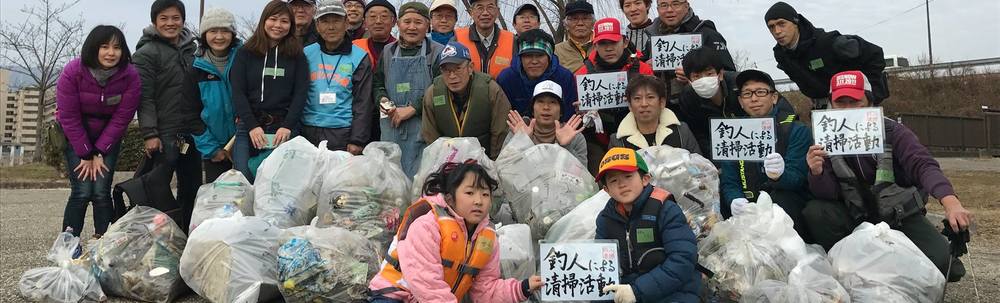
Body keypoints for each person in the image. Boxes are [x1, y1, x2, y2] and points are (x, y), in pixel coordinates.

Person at [804, 71, 970, 281]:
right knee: (816, 211)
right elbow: (828, 193)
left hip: (898, 214)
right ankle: (846, 266)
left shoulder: (894, 131)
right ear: (831, 104)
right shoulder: (824, 136)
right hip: (853, 214)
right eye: (840, 102)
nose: (847, 109)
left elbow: (923, 164)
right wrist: (816, 172)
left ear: (869, 102)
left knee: (944, 265)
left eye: (854, 102)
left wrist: (950, 202)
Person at [368, 161, 543, 302]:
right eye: (469, 192)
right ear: (450, 199)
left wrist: (522, 288)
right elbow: (427, 285)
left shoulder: (487, 238)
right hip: (392, 295)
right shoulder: (428, 225)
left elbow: (485, 291)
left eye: (485, 194)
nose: (478, 201)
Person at [56, 25, 140, 238]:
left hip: (108, 138)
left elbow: (123, 118)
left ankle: (103, 242)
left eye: (117, 47)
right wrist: (85, 153)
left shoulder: (130, 75)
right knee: (82, 192)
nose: (111, 53)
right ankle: (69, 243)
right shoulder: (73, 72)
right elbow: (68, 116)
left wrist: (100, 150)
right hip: (76, 137)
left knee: (101, 191)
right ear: (93, 48)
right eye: (105, 46)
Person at [594, 147, 701, 303]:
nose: (622, 184)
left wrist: (637, 291)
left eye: (628, 176)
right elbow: (599, 267)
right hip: (625, 294)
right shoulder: (605, 219)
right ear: (606, 190)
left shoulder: (666, 210)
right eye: (613, 180)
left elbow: (683, 259)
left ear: (645, 179)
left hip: (674, 292)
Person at [719, 69, 812, 239]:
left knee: (784, 199)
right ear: (740, 101)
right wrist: (734, 199)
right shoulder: (732, 134)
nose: (754, 99)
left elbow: (799, 178)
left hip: (787, 210)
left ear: (774, 97)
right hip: (749, 207)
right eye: (747, 94)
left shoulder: (795, 129)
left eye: (761, 92)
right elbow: (729, 181)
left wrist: (780, 176)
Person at [134, 0, 203, 229]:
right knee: (157, 187)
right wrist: (150, 133)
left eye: (176, 18)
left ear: (183, 20)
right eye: (164, 18)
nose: (170, 23)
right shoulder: (146, 53)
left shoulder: (193, 50)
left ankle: (185, 235)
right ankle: (154, 233)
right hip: (164, 132)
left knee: (192, 187)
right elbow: (144, 98)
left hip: (191, 131)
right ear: (154, 21)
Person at [230, 1, 309, 182]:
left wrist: (288, 125)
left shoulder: (297, 55)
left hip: (284, 127)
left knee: (279, 179)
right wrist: (252, 126)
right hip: (250, 127)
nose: (278, 25)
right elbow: (238, 92)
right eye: (273, 19)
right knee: (244, 176)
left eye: (284, 21)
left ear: (291, 25)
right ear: (264, 21)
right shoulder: (245, 53)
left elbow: (300, 93)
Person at [676, 47, 796, 158]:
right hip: (726, 153)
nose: (704, 80)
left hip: (762, 146)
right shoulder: (688, 98)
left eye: (709, 74)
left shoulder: (742, 84)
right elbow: (699, 135)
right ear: (689, 80)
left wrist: (782, 135)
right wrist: (715, 162)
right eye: (697, 76)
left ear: (720, 74)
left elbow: (786, 112)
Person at [766, 2, 888, 109]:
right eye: (771, 27)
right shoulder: (781, 55)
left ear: (795, 22)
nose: (777, 31)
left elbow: (876, 56)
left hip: (854, 105)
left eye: (781, 24)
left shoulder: (829, 42)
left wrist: (871, 97)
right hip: (822, 110)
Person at [375, 1, 444, 177]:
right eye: (407, 22)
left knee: (421, 179)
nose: (412, 27)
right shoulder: (388, 51)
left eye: (418, 22)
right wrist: (382, 100)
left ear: (427, 26)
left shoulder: (437, 53)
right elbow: (378, 83)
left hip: (425, 129)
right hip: (391, 128)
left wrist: (413, 109)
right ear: (398, 24)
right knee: (391, 182)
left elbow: (441, 89)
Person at [576, 17, 654, 174]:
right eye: (602, 43)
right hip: (597, 140)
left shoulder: (643, 70)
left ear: (624, 42)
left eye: (613, 42)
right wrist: (581, 113)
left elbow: (656, 105)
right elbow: (577, 114)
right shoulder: (582, 75)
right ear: (595, 45)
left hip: (637, 136)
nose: (608, 48)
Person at [301, 0, 373, 155]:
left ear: (346, 23)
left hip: (342, 132)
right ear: (317, 26)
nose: (331, 27)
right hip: (307, 131)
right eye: (325, 22)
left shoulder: (360, 56)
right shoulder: (306, 54)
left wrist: (357, 140)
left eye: (336, 21)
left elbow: (363, 102)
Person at [421, 42, 511, 159]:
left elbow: (500, 132)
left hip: (483, 159)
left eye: (458, 68)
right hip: (447, 161)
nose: (452, 76)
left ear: (470, 68)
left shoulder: (491, 89)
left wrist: (494, 164)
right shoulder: (432, 93)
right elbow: (430, 136)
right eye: (446, 70)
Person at [645, 0, 734, 102]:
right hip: (660, 107)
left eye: (675, 4)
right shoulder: (652, 37)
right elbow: (641, 70)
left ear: (686, 6)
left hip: (701, 105)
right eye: (664, 5)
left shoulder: (707, 34)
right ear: (658, 9)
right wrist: (646, 68)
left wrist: (697, 77)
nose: (669, 10)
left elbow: (729, 73)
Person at [192, 7, 241, 183]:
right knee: (218, 204)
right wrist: (211, 149)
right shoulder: (195, 68)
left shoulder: (246, 59)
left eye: (225, 31)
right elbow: (190, 114)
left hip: (245, 144)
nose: (219, 37)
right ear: (204, 34)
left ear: (233, 34)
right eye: (213, 31)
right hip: (215, 150)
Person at [496, 29, 577, 122]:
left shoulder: (564, 77)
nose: (534, 61)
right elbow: (501, 117)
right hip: (516, 132)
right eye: (528, 56)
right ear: (520, 57)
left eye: (540, 55)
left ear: (549, 57)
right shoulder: (506, 78)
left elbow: (569, 116)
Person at [504, 80, 587, 166]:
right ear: (532, 109)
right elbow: (502, 170)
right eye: (540, 101)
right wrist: (521, 142)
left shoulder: (575, 136)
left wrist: (565, 147)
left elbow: (582, 176)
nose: (546, 107)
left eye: (552, 102)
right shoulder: (518, 131)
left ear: (561, 111)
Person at [610, 75, 699, 154]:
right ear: (630, 105)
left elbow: (700, 166)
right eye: (637, 98)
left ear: (662, 102)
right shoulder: (618, 141)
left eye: (650, 97)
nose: (644, 104)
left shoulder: (682, 131)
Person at [454, 0, 515, 79]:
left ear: (497, 11)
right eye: (480, 8)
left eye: (490, 7)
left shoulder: (513, 41)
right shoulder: (456, 39)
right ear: (471, 12)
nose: (485, 13)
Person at [553, 0, 594, 74]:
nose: (580, 23)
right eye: (574, 19)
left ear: (593, 23)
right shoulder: (556, 52)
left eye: (585, 18)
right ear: (566, 24)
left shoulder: (604, 45)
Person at [354, 0, 397, 68]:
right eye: (372, 16)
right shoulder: (355, 47)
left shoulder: (400, 48)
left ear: (394, 21)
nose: (378, 21)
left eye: (384, 16)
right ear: (365, 22)